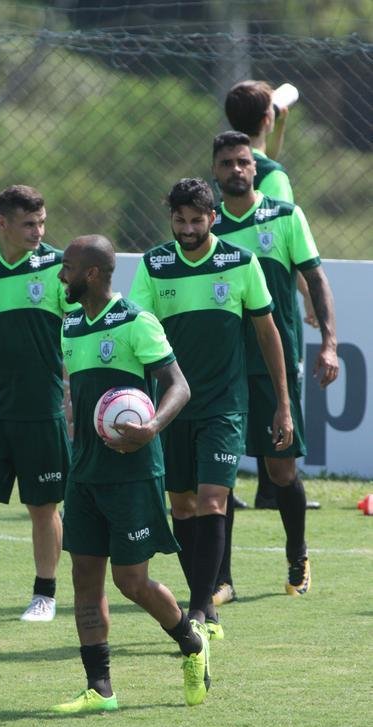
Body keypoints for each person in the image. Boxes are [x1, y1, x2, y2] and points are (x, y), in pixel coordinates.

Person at [128, 178, 292, 640]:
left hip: (224, 406)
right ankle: (203, 602)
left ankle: (200, 609)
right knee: (181, 505)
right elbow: (136, 332)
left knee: (212, 500)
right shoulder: (154, 265)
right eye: (179, 220)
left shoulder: (241, 262)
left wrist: (283, 404)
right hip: (171, 407)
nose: (187, 228)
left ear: (212, 218)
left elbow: (267, 334)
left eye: (196, 220)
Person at [52, 234, 210, 713]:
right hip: (85, 474)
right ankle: (100, 689)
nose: (62, 275)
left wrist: (152, 428)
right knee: (83, 577)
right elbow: (74, 395)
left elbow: (178, 386)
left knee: (131, 581)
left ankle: (192, 644)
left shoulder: (136, 321)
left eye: (69, 267)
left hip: (133, 471)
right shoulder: (71, 324)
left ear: (93, 274)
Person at [211, 131, 338, 597]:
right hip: (222, 369)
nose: (237, 170)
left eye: (244, 162)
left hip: (272, 365)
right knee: (219, 474)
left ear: (254, 166)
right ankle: (221, 579)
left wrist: (328, 342)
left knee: (281, 471)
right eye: (227, 163)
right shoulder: (206, 226)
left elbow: (315, 277)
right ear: (216, 171)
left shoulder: (285, 216)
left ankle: (297, 557)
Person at [0, 185, 76, 622]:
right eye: (29, 224)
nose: (38, 232)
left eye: (42, 222)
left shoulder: (60, 264)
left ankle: (44, 594)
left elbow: (77, 324)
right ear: (2, 224)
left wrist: (73, 390)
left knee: (43, 506)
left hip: (41, 408)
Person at [224, 78, 320, 512]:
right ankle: (270, 489)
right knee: (270, 397)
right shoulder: (272, 179)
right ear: (268, 116)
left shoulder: (230, 166)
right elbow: (278, 244)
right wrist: (305, 293)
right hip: (263, 310)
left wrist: (278, 125)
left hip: (228, 316)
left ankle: (260, 487)